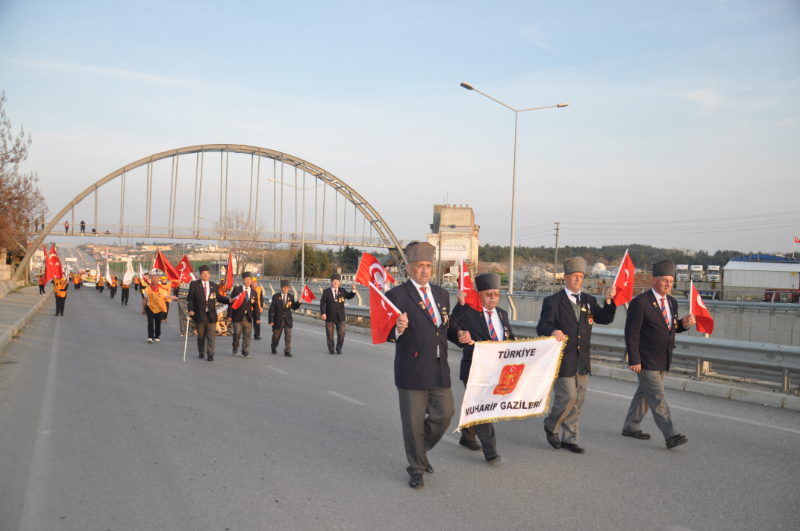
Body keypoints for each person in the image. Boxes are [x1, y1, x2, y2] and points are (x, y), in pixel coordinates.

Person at [384, 242, 454, 490]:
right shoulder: (396, 296)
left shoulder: (442, 294)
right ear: (409, 268)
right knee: (413, 424)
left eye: (428, 266)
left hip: (438, 367)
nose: (425, 271)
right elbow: (384, 331)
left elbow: (445, 329)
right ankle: (416, 469)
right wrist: (397, 328)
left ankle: (420, 454)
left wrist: (465, 333)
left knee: (445, 414)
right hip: (412, 369)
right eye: (420, 266)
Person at [537, 257, 618, 454]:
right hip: (563, 358)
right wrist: (552, 331)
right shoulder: (553, 301)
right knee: (568, 396)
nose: (578, 279)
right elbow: (542, 326)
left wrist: (608, 301)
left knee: (578, 400)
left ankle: (570, 438)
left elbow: (605, 319)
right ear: (565, 277)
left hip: (582, 358)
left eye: (581, 276)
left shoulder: (589, 301)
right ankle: (551, 424)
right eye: (574, 276)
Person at [622, 260, 695, 450]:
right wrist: (634, 359)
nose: (668, 284)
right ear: (654, 280)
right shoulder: (640, 303)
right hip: (645, 360)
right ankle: (671, 435)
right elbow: (632, 333)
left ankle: (630, 426)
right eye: (664, 280)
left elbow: (670, 328)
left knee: (645, 395)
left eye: (671, 281)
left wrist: (684, 324)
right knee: (657, 396)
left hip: (663, 358)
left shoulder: (672, 302)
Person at [449, 272, 511, 464]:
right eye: (488, 294)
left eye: (496, 294)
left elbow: (511, 340)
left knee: (477, 405)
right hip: (474, 369)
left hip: (497, 370)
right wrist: (460, 333)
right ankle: (491, 451)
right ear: (480, 294)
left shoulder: (502, 314)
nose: (493, 297)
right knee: (483, 407)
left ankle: (467, 435)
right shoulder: (468, 311)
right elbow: (451, 326)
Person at [187, 265, 230, 361]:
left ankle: (210, 353)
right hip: (199, 314)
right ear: (200, 275)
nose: (205, 275)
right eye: (203, 273)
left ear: (209, 275)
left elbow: (218, 297)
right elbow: (190, 299)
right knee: (201, 335)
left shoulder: (214, 285)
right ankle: (201, 351)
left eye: (207, 273)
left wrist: (228, 300)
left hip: (211, 314)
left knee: (211, 335)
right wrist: (190, 309)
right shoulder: (194, 284)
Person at [320, 273, 357, 354]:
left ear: (339, 283)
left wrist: (353, 290)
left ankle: (339, 348)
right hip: (329, 316)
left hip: (340, 316)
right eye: (334, 281)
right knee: (330, 335)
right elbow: (322, 303)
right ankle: (331, 349)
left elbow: (350, 296)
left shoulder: (342, 291)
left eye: (337, 281)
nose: (335, 283)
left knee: (342, 333)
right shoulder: (326, 292)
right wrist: (323, 313)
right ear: (331, 282)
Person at [227, 272, 261, 358]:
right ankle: (235, 346)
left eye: (250, 279)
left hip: (248, 316)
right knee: (237, 333)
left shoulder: (253, 292)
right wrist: (229, 315)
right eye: (247, 279)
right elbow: (232, 303)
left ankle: (245, 351)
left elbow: (256, 306)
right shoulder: (237, 290)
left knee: (247, 334)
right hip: (237, 315)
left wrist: (257, 317)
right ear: (243, 280)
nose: (249, 281)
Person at [268, 280, 301, 356]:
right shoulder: (276, 297)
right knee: (276, 336)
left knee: (288, 335)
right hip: (278, 320)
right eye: (284, 287)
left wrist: (298, 303)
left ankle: (287, 350)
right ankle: (273, 347)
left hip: (287, 320)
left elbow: (293, 307)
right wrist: (271, 320)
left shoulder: (290, 296)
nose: (286, 289)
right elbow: (271, 310)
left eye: (287, 288)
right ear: (281, 287)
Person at [141, 276, 174, 343]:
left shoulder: (162, 289)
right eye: (152, 279)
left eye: (155, 279)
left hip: (159, 308)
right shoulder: (148, 289)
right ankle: (150, 337)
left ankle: (157, 336)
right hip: (149, 307)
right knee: (150, 322)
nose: (154, 280)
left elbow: (164, 297)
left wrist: (170, 296)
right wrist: (143, 309)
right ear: (151, 281)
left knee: (157, 322)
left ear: (158, 280)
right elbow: (145, 299)